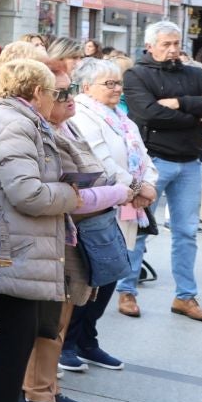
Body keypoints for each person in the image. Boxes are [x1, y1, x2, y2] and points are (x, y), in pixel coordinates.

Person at [0, 59, 128, 402]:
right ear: (36, 92)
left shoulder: (22, 119)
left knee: (21, 331)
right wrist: (73, 195)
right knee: (15, 330)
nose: (60, 99)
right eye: (55, 92)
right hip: (15, 244)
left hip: (25, 242)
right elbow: (27, 193)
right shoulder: (15, 124)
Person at [120, 20, 202, 321]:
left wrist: (180, 102)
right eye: (165, 44)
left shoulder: (194, 73)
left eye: (176, 43)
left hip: (190, 161)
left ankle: (186, 297)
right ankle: (126, 290)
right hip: (154, 161)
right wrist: (195, 114)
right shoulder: (136, 73)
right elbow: (148, 113)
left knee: (186, 232)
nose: (172, 49)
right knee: (139, 229)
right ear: (149, 46)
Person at [65, 57, 156, 369]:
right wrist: (137, 187)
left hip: (128, 205)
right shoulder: (82, 114)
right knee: (91, 277)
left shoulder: (122, 117)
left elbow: (143, 155)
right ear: (87, 87)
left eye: (119, 82)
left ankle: (88, 340)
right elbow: (100, 159)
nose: (118, 88)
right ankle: (69, 341)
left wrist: (149, 185)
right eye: (110, 83)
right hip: (101, 205)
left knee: (113, 273)